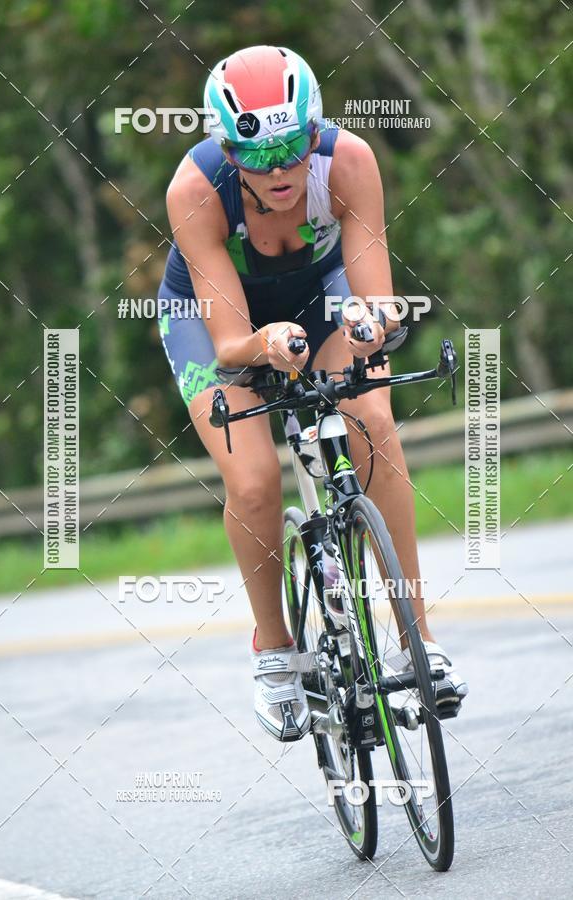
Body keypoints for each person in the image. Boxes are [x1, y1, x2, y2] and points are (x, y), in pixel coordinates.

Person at [158, 45, 467, 741]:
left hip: (320, 297)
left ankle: (421, 642)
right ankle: (273, 652)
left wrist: (371, 321)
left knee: (370, 422)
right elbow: (234, 343)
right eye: (256, 153)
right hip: (215, 325)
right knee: (257, 480)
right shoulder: (195, 191)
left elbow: (375, 300)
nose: (278, 169)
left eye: (293, 145)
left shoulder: (349, 162)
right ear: (227, 152)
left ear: (315, 131)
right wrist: (265, 346)